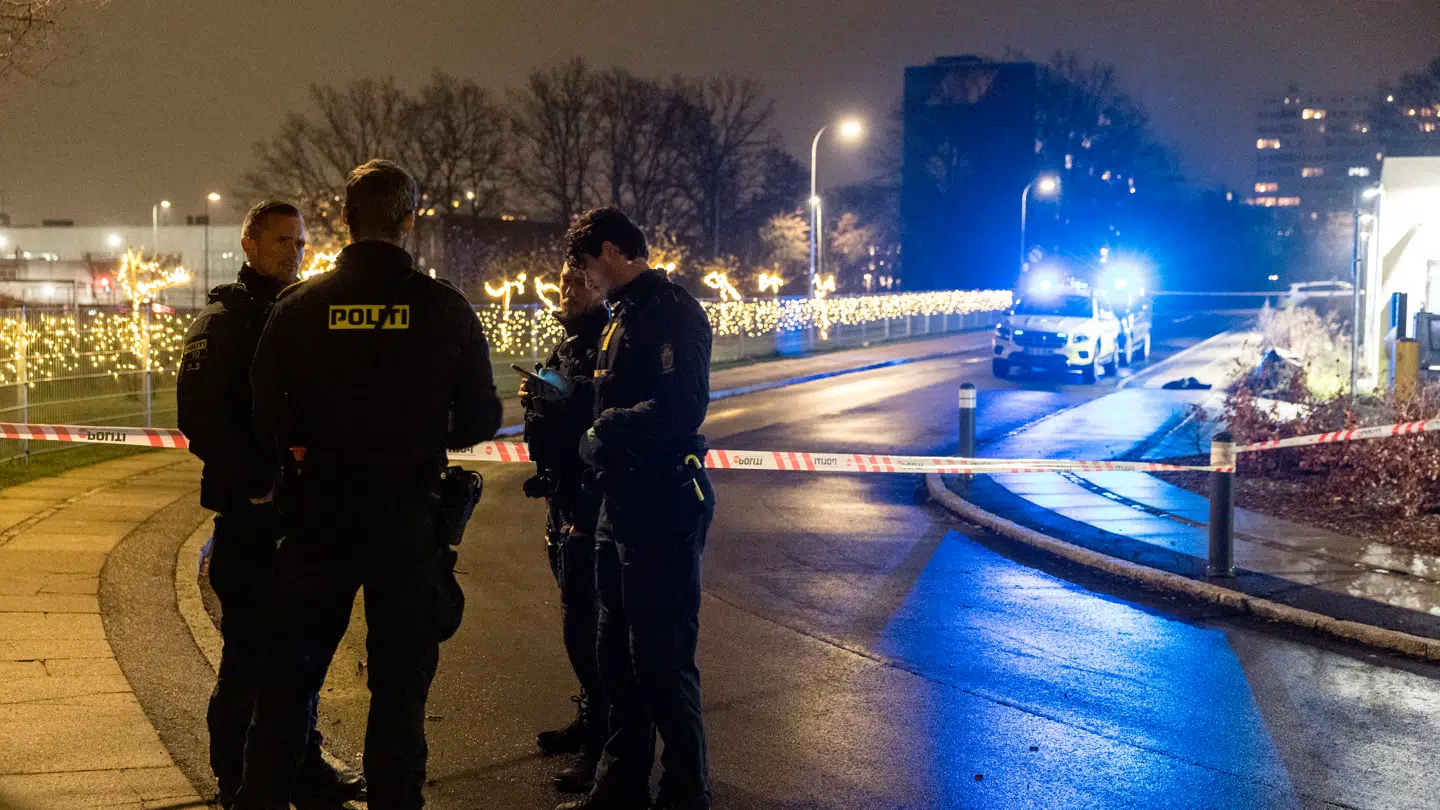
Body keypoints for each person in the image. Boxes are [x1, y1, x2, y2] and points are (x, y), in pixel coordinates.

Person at [235, 159, 503, 810]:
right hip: (408, 522)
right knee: (399, 691)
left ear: (345, 219)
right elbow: (480, 420)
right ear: (409, 220)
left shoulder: (301, 306)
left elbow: (262, 412)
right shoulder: (442, 308)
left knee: (289, 686)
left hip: (319, 521)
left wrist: (298, 460)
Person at [177, 201, 365, 810]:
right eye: (283, 240)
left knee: (298, 658)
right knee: (248, 658)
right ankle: (234, 778)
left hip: (300, 518)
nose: (295, 251)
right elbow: (200, 419)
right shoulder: (226, 320)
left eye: (302, 242)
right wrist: (256, 480)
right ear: (249, 244)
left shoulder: (298, 313)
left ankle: (302, 772)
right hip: (252, 519)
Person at [557, 208, 716, 810]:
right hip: (618, 503)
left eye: (584, 263)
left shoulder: (672, 311)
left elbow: (684, 407)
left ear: (610, 251)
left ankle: (685, 790)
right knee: (615, 654)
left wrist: (611, 425)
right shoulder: (619, 318)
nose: (582, 276)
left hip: (664, 502)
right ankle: (619, 788)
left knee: (661, 657)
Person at [521, 265, 611, 794]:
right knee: (575, 618)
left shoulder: (606, 342)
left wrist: (567, 397)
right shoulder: (570, 340)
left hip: (589, 502)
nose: (567, 290)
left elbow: (601, 414)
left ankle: (602, 740)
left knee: (589, 628)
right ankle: (590, 718)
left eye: (579, 283)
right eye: (562, 282)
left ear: (602, 286)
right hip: (562, 498)